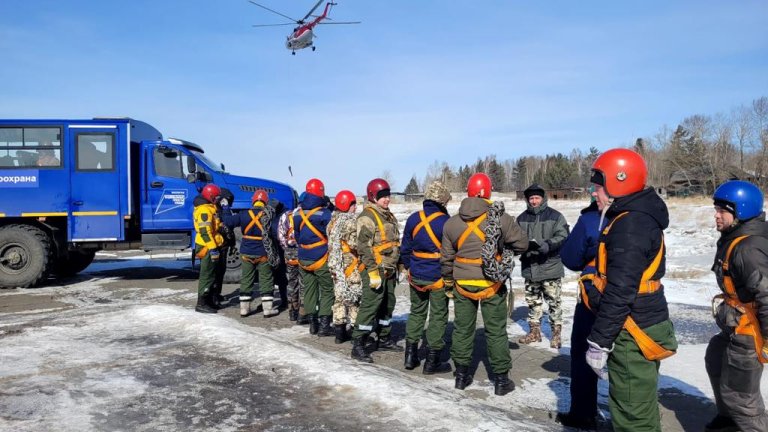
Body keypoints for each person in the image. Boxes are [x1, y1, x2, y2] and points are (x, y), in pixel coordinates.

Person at [584, 148, 678, 432]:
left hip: (631, 329)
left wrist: (599, 341)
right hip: (639, 321)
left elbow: (621, 290)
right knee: (638, 405)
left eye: (599, 186)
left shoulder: (630, 225)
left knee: (632, 413)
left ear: (619, 181)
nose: (594, 193)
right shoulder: (632, 217)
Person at [441, 173, 528, 395]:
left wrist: (449, 282)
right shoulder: (502, 219)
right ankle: (500, 381)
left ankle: (461, 376)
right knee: (496, 332)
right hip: (492, 284)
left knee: (462, 329)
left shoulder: (451, 223)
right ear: (486, 192)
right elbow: (522, 244)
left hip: (462, 283)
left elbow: (446, 259)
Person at [704, 180, 768, 432]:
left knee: (741, 398)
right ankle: (729, 420)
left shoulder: (748, 248)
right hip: (737, 324)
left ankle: (745, 421)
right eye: (716, 209)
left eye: (722, 211)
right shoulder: (736, 238)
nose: (716, 216)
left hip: (751, 330)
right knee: (716, 357)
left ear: (741, 212)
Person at [554, 186, 607, 430]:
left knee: (584, 352)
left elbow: (571, 257)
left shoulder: (590, 219)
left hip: (593, 298)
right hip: (636, 299)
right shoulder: (645, 217)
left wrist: (590, 253)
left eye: (598, 189)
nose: (595, 195)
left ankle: (583, 413)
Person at [400, 180, 453, 374]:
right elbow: (451, 253)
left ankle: (410, 357)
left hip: (416, 275)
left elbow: (405, 248)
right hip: (438, 277)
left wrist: (409, 267)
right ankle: (432, 362)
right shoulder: (447, 222)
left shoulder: (414, 219)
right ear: (442, 200)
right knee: (438, 316)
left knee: (416, 313)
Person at [350, 178, 403, 362]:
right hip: (375, 268)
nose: (387, 199)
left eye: (388, 195)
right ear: (373, 197)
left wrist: (400, 264)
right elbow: (363, 246)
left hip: (389, 268)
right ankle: (358, 343)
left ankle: (384, 337)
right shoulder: (367, 217)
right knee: (371, 304)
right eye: (382, 196)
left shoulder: (388, 215)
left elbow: (394, 242)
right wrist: (372, 270)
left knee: (388, 304)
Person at [517, 184, 569, 348]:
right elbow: (515, 238)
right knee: (533, 302)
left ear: (543, 198)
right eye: (531, 198)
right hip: (530, 267)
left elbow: (563, 235)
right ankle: (534, 332)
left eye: (537, 198)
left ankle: (556, 335)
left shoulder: (555, 216)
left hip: (550, 267)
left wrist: (549, 245)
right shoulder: (521, 218)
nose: (534, 201)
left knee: (554, 303)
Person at [224, 189, 280, 318]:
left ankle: (244, 309)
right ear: (265, 202)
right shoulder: (268, 215)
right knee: (266, 279)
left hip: (246, 252)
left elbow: (227, 221)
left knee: (246, 279)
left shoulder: (244, 214)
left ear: (253, 201)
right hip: (263, 252)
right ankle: (267, 309)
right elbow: (275, 232)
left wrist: (226, 208)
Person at [294, 178, 335, 336]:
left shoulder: (297, 214)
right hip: (321, 257)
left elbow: (298, 236)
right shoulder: (325, 214)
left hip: (303, 257)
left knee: (309, 290)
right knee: (326, 289)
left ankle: (313, 323)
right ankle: (324, 325)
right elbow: (332, 234)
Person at [326, 190, 362, 344]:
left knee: (339, 297)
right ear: (347, 205)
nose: (355, 207)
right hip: (350, 265)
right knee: (355, 297)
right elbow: (355, 243)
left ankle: (339, 333)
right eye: (353, 204)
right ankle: (355, 331)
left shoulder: (332, 222)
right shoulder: (349, 222)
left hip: (336, 265)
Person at [193, 183, 227, 314]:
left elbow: (214, 226)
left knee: (213, 275)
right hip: (207, 246)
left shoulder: (210, 208)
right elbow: (205, 232)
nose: (218, 199)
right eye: (216, 197)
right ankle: (201, 303)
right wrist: (213, 248)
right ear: (210, 196)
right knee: (207, 275)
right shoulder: (204, 210)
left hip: (213, 244)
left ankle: (210, 301)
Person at [278, 193, 305, 322]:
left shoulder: (286, 215)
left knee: (291, 282)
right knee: (304, 283)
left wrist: (287, 249)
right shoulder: (307, 215)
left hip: (289, 252)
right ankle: (302, 313)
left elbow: (281, 235)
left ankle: (292, 311)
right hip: (304, 252)